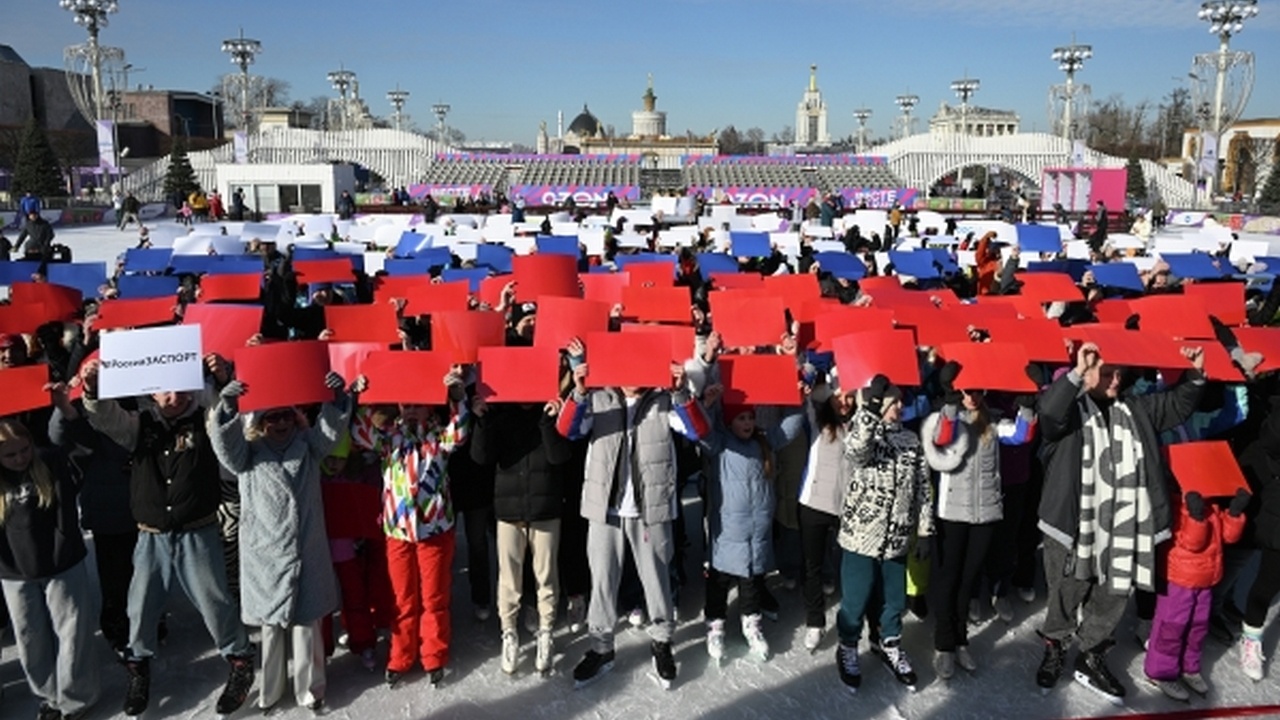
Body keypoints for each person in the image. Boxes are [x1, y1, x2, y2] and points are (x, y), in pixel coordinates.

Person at [79, 357, 255, 718]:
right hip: (151, 535)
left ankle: (239, 660)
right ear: (150, 393)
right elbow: (105, 417)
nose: (172, 396)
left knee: (215, 601)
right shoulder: (139, 425)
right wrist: (93, 390)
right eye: (163, 390)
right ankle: (138, 667)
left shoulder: (204, 419)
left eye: (179, 389)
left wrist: (223, 380)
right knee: (140, 606)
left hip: (198, 531)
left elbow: (229, 418)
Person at [1034, 342, 1206, 704]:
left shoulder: (1136, 407)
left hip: (1125, 525)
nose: (1116, 380)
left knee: (1112, 596)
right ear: (1090, 370)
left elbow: (1176, 406)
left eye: (1119, 373)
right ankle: (1056, 644)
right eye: (1108, 373)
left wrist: (1193, 376)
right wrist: (1077, 373)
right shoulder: (1070, 407)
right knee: (1066, 593)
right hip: (1074, 524)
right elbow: (1048, 416)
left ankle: (1091, 653)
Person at [556, 339, 709, 689]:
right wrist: (578, 393)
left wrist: (682, 393)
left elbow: (698, 430)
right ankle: (601, 646)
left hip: (650, 509)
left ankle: (662, 641)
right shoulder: (599, 396)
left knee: (657, 578)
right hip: (604, 507)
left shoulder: (663, 399)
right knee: (602, 580)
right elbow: (568, 430)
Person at [208, 371, 358, 713]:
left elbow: (330, 431)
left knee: (306, 625)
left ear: (295, 417)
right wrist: (228, 408)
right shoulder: (246, 455)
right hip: (266, 555)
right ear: (260, 422)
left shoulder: (308, 447)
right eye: (271, 417)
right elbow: (224, 447)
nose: (280, 423)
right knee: (272, 629)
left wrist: (334, 400)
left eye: (286, 416)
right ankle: (271, 691)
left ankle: (311, 689)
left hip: (306, 550)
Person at [351, 368, 470, 689]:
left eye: (419, 404)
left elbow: (460, 432)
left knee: (434, 597)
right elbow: (359, 434)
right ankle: (401, 656)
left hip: (434, 530)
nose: (413, 410)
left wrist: (457, 398)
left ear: (430, 406)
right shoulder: (390, 437)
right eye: (407, 404)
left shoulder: (439, 437)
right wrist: (361, 398)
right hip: (398, 532)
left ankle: (434, 654)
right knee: (402, 598)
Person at [920, 365, 1037, 678]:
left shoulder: (995, 419)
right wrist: (947, 398)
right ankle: (944, 644)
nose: (970, 396)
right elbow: (941, 438)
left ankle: (960, 641)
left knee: (968, 579)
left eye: (975, 390)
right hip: (952, 512)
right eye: (965, 390)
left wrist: (1028, 403)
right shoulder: (945, 417)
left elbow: (1022, 435)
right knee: (949, 578)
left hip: (984, 512)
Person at [698, 362, 805, 664]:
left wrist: (796, 397)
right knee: (718, 582)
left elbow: (791, 426)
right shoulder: (721, 444)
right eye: (740, 418)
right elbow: (701, 430)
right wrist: (706, 404)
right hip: (726, 532)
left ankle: (751, 622)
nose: (746, 423)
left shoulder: (765, 441)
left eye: (750, 418)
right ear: (730, 422)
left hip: (756, 532)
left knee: (750, 581)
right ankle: (715, 624)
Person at [834, 375, 933, 693]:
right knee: (856, 597)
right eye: (894, 401)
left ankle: (887, 643)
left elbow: (923, 489)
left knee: (893, 600)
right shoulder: (864, 433)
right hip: (861, 535)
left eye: (901, 401)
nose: (900, 406)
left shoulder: (911, 441)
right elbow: (855, 451)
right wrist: (872, 407)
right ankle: (847, 645)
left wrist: (925, 529)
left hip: (897, 537)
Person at [0, 418, 102, 720]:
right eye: (10, 454)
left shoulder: (51, 463)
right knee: (30, 637)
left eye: (24, 450)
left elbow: (83, 447)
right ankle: (47, 696)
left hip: (61, 564)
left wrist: (65, 410)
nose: (20, 458)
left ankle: (75, 698)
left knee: (72, 633)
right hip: (15, 572)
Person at [470, 390, 572, 675]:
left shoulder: (554, 411)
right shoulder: (500, 415)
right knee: (509, 578)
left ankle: (546, 631)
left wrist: (548, 423)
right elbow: (481, 457)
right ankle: (509, 633)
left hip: (546, 508)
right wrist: (481, 421)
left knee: (546, 576)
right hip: (509, 510)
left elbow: (560, 456)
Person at [1144, 486, 1250, 700]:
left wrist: (1234, 513)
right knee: (1172, 627)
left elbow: (1228, 537)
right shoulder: (1175, 504)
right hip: (1179, 579)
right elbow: (1193, 543)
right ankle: (1160, 672)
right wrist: (1195, 516)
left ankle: (1188, 667)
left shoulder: (1212, 504)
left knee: (1198, 627)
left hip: (1207, 579)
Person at [797, 372, 853, 653]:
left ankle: (851, 618)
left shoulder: (860, 425)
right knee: (813, 566)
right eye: (839, 396)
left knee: (848, 564)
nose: (844, 402)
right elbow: (804, 398)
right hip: (813, 504)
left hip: (845, 507)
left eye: (849, 397)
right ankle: (815, 622)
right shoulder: (817, 421)